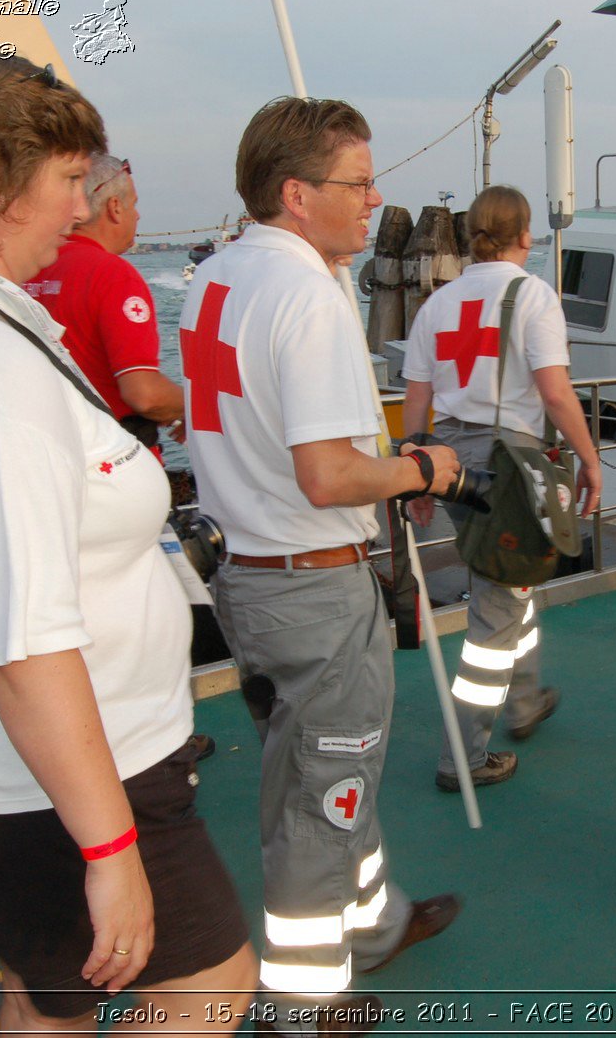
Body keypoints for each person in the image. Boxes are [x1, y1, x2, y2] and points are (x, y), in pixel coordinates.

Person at [0, 54, 256, 1032]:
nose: (83, 207)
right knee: (206, 982)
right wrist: (108, 851)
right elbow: (22, 645)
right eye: (68, 180)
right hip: (45, 777)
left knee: (50, 986)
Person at [183, 96, 462, 1033]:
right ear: (298, 194)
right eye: (358, 181)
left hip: (246, 576)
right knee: (322, 793)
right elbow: (330, 471)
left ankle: (372, 921)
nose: (377, 198)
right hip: (309, 582)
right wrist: (423, 466)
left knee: (318, 759)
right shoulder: (306, 294)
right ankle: (304, 1002)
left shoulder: (216, 277)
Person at [401, 185, 601, 792]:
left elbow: (417, 395)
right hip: (506, 462)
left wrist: (416, 470)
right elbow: (556, 392)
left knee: (509, 578)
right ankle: (463, 755)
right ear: (525, 235)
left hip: (449, 456)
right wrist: (591, 458)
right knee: (495, 607)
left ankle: (525, 699)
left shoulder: (438, 303)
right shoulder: (532, 294)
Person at [25, 152, 186, 456]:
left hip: (46, 457)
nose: (137, 215)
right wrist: (197, 406)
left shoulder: (30, 267)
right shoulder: (112, 275)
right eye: (134, 204)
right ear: (114, 207)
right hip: (114, 464)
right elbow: (144, 394)